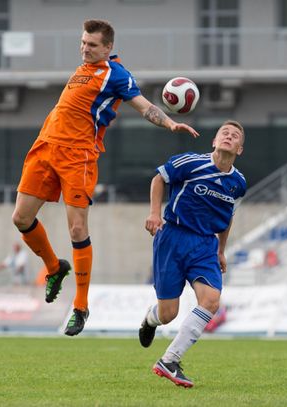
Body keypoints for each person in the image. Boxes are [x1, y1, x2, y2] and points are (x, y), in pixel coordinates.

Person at [11, 19, 199, 336]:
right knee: (21, 218)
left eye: (92, 45)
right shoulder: (83, 68)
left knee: (77, 228)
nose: (85, 49)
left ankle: (80, 306)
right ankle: (55, 268)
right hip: (45, 147)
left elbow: (143, 106)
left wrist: (169, 123)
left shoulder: (117, 74)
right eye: (83, 43)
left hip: (78, 156)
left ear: (108, 47)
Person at [139, 120, 246, 388]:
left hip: (205, 245)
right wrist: (154, 213)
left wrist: (221, 250)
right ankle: (150, 319)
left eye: (235, 136)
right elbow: (158, 178)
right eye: (224, 133)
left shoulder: (238, 183)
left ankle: (169, 360)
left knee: (211, 301)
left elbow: (228, 216)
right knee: (168, 314)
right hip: (173, 238)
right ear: (214, 141)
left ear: (240, 149)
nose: (229, 136)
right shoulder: (191, 162)